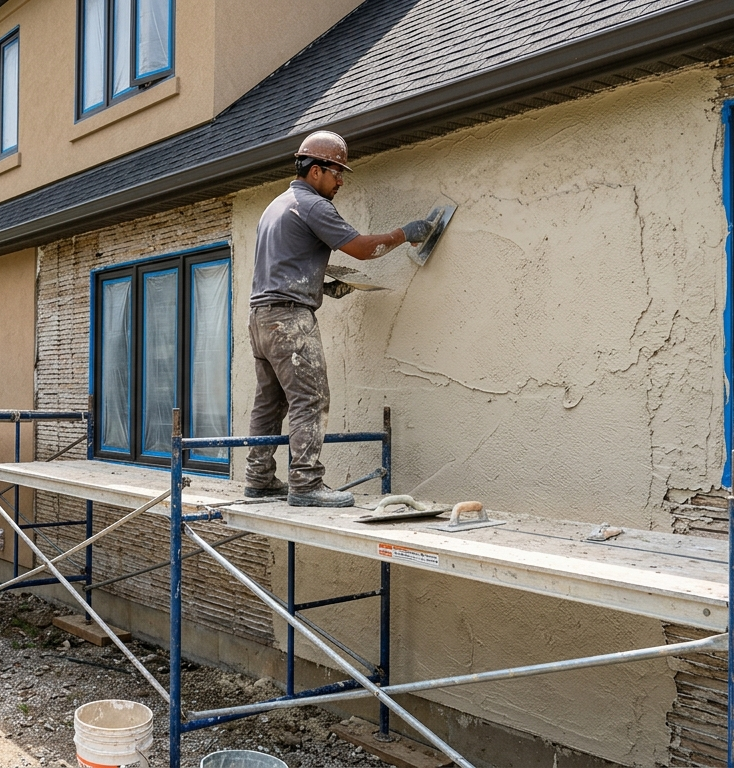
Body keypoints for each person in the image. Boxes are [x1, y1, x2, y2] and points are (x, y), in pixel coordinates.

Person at [245, 131, 436, 508]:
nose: (341, 181)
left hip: (261, 320)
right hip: (289, 321)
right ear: (315, 171)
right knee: (311, 398)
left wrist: (324, 285)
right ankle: (305, 484)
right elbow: (363, 249)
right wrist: (405, 233)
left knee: (270, 404)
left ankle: (259, 479)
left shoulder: (277, 206)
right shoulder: (313, 205)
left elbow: (286, 262)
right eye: (337, 172)